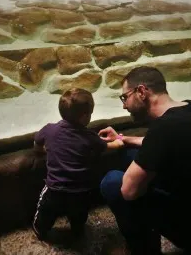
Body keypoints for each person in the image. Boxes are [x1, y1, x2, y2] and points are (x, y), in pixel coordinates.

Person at [99, 66, 191, 255]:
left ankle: (145, 250)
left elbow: (129, 191)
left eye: (125, 97)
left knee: (112, 182)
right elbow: (156, 145)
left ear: (141, 92)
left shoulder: (163, 128)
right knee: (129, 154)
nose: (124, 105)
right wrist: (122, 139)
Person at [32, 88, 123, 241]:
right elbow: (111, 147)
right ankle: (77, 230)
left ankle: (40, 230)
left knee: (45, 211)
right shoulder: (89, 137)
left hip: (54, 189)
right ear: (84, 117)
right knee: (79, 214)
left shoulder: (49, 130)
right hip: (80, 191)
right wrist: (120, 140)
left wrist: (44, 151)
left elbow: (36, 143)